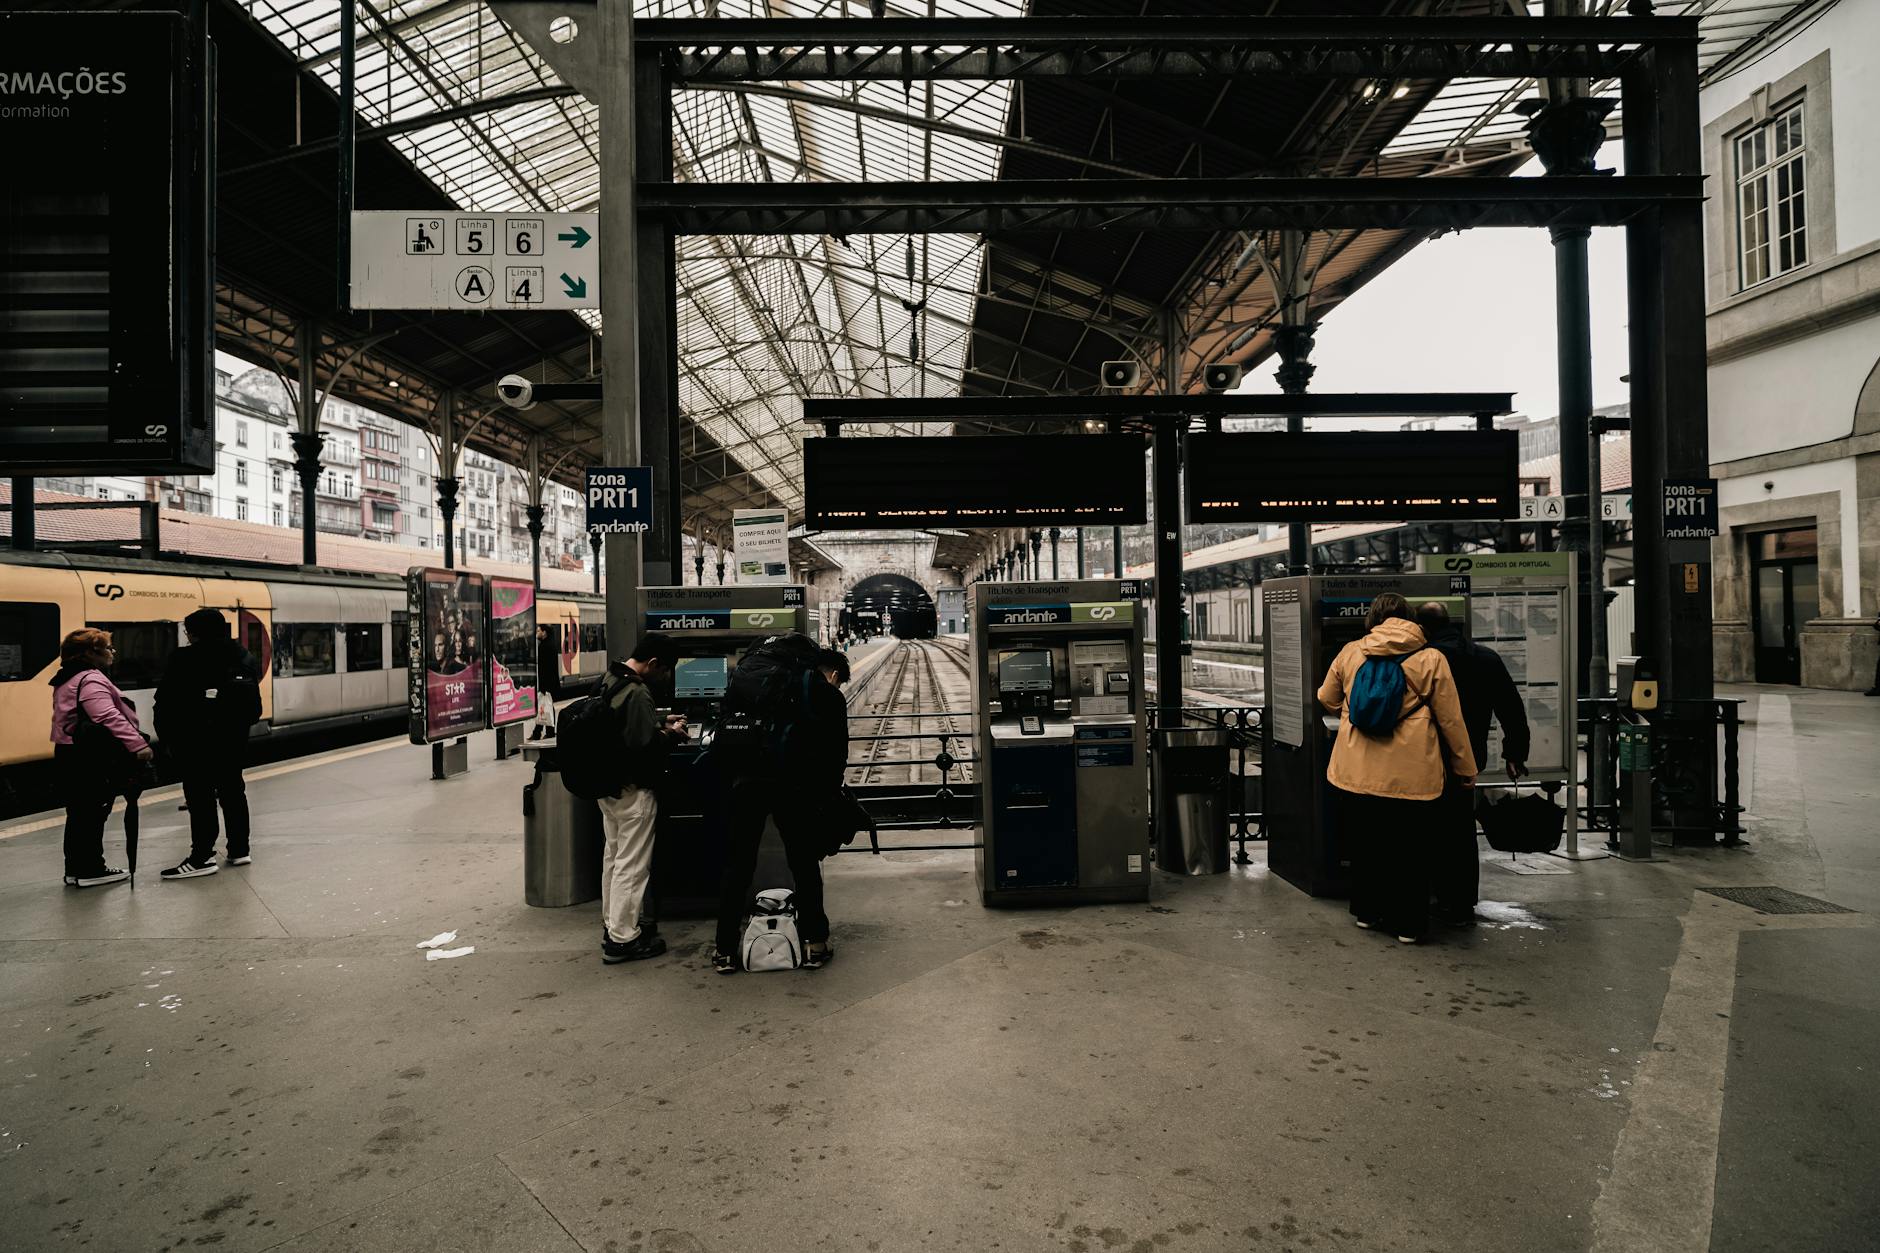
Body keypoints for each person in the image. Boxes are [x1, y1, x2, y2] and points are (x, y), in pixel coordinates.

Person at [1316, 593, 1477, 944]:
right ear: (1410, 618)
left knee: (1366, 844)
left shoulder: (1351, 651)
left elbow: (1326, 697)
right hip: (1411, 773)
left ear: (1371, 619)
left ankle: (1367, 912)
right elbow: (1451, 721)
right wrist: (1466, 768)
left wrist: (1352, 707)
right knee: (1410, 850)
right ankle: (1407, 925)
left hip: (1355, 770)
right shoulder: (1430, 657)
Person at [711, 642, 850, 974]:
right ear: (832, 673)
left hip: (746, 782)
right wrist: (827, 796)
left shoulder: (751, 683)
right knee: (803, 864)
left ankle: (725, 951)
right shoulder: (825, 693)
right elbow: (835, 755)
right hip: (793, 786)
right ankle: (815, 944)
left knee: (738, 865)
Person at [1416, 602, 1530, 926]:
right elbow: (1512, 709)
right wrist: (1515, 754)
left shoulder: (1423, 661)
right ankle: (1461, 903)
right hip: (1467, 761)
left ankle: (1429, 898)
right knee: (1460, 830)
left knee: (1424, 830)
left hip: (1422, 760)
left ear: (1422, 628)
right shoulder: (1485, 658)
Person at [594, 632, 687, 965]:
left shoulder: (610, 679)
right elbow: (643, 749)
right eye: (665, 671)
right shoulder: (637, 692)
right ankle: (623, 940)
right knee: (631, 866)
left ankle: (613, 924)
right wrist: (671, 734)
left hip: (609, 789)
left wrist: (659, 722)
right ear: (652, 664)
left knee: (614, 858)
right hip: (633, 793)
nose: (666, 678)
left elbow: (621, 729)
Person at [155, 609, 264, 880]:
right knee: (233, 791)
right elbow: (254, 709)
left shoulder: (185, 657)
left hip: (194, 741)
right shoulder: (243, 655)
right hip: (233, 740)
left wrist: (168, 738)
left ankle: (202, 856)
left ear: (193, 633)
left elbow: (166, 701)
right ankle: (240, 850)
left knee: (200, 797)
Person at [48, 628, 153, 889]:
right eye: (107, 648)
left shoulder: (66, 677)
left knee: (78, 813)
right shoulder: (90, 679)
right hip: (87, 756)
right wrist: (137, 743)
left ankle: (75, 869)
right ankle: (91, 869)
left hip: (69, 751)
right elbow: (106, 715)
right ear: (90, 654)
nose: (112, 652)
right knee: (92, 812)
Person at [531, 624, 561, 740]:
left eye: (538, 631)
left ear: (544, 633)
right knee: (546, 706)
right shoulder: (550, 645)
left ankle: (543, 732)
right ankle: (543, 732)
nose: (537, 633)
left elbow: (544, 669)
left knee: (544, 706)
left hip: (547, 683)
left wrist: (543, 686)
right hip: (551, 682)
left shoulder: (544, 647)